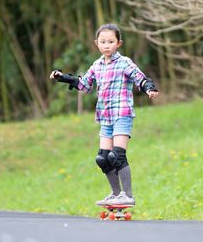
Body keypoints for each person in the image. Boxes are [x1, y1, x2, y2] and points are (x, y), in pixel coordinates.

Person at [49, 23, 159, 206]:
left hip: (122, 114)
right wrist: (63, 77)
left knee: (117, 156)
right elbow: (84, 85)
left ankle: (128, 195)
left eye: (110, 41)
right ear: (96, 43)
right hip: (105, 117)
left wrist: (149, 88)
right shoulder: (97, 65)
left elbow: (140, 77)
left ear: (118, 43)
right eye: (103, 41)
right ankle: (116, 195)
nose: (106, 45)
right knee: (103, 158)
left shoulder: (124, 63)